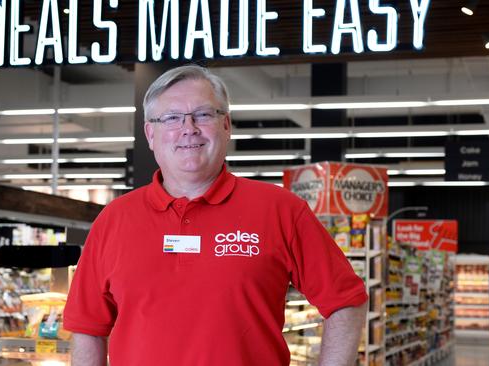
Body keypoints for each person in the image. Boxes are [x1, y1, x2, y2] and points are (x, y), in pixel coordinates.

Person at [63, 65, 367, 366]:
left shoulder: (281, 210)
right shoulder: (113, 220)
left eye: (204, 114)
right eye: (171, 118)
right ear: (150, 134)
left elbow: (347, 302)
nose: (189, 128)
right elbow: (87, 329)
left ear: (227, 126)